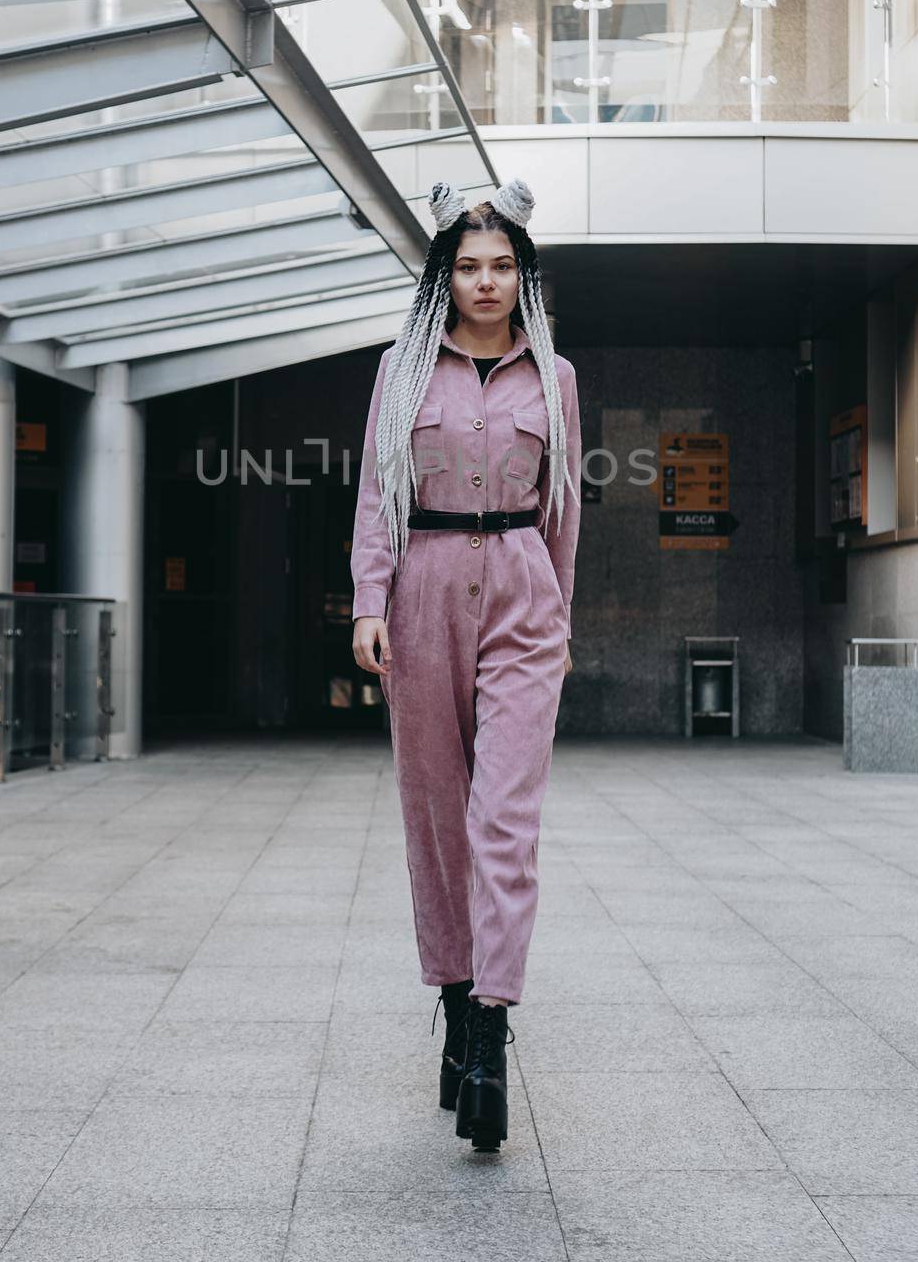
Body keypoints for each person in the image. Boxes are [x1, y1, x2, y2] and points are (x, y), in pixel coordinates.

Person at [350, 176, 582, 1153]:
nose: (484, 282)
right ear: (443, 277)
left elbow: (562, 507)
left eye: (500, 268)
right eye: (467, 267)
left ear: (521, 278)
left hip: (522, 591)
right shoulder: (401, 373)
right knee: (437, 812)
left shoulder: (555, 376)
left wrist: (558, 616)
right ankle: (452, 997)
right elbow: (374, 490)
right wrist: (369, 599)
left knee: (504, 819)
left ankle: (488, 1031)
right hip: (424, 587)